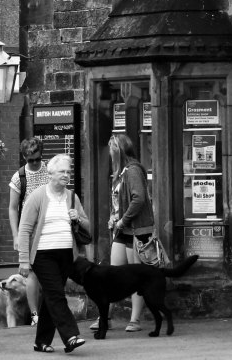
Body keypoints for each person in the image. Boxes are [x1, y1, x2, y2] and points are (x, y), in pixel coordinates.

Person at [18, 154, 88, 354]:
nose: (66, 175)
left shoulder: (72, 197)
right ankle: (71, 336)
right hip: (43, 255)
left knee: (51, 296)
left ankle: (41, 341)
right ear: (51, 174)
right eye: (62, 172)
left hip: (66, 254)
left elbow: (87, 226)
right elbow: (24, 229)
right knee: (57, 294)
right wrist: (24, 259)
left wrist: (79, 219)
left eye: (68, 172)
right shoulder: (38, 196)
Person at [90, 133, 153, 334]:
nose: (109, 152)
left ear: (118, 150)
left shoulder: (133, 171)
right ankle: (105, 316)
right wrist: (112, 217)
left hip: (136, 230)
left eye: (111, 148)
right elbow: (118, 202)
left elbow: (139, 199)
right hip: (122, 230)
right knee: (113, 275)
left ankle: (135, 319)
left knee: (135, 276)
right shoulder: (120, 173)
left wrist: (123, 220)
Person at [9, 136, 49, 324]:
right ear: (24, 157)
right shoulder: (19, 177)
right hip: (30, 230)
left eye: (37, 159)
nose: (34, 163)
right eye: (30, 159)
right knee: (31, 272)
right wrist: (16, 235)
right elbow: (12, 208)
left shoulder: (50, 170)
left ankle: (50, 311)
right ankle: (35, 315)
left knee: (51, 272)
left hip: (50, 226)